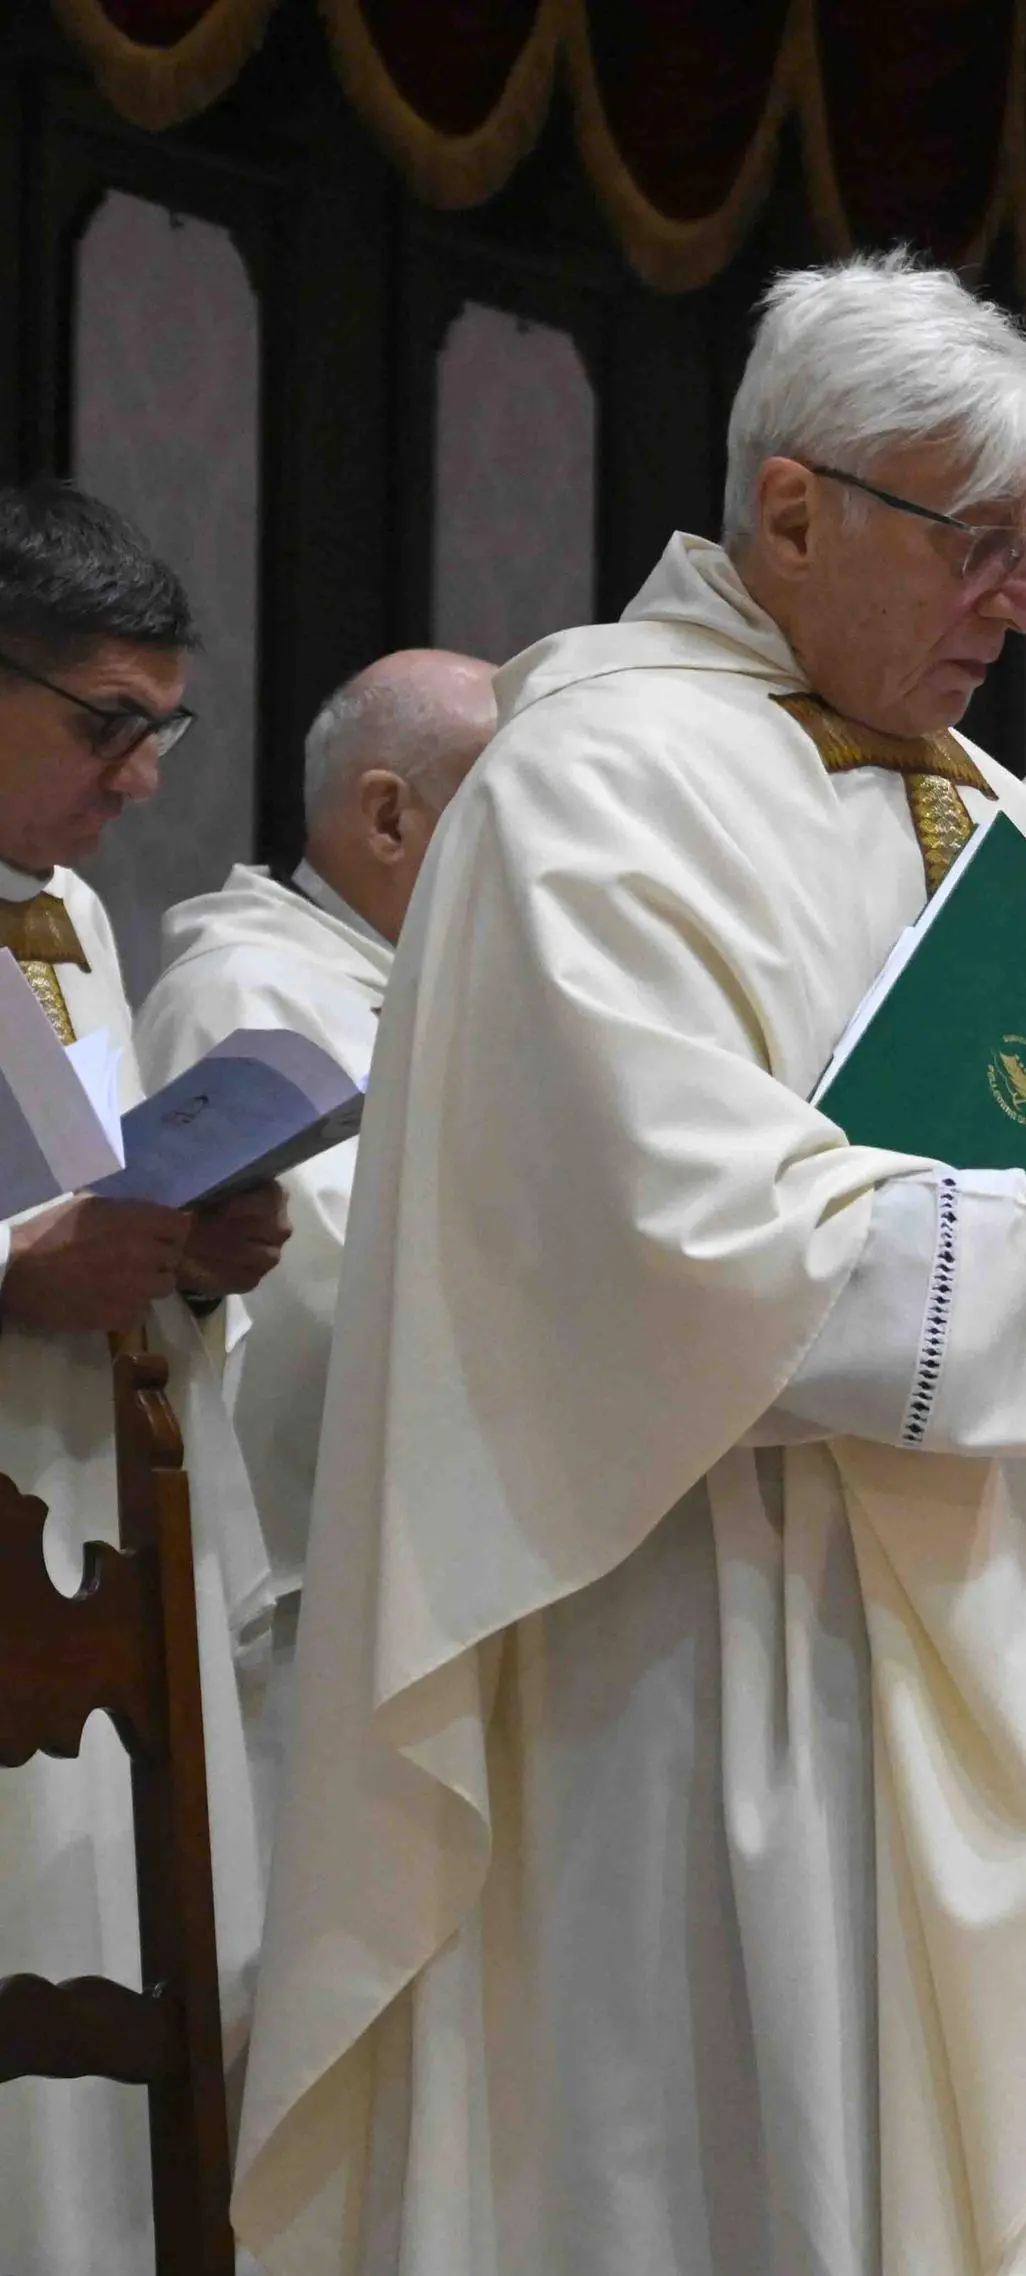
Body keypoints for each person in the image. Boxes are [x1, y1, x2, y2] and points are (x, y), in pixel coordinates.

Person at [234, 255, 1026, 2276]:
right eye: (978, 543)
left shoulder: (999, 809)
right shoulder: (591, 785)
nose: (1023, 601)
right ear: (789, 510)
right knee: (772, 2169)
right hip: (737, 1630)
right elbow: (666, 1236)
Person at [0, 479, 288, 2276]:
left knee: (133, 1976)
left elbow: (78, 1204)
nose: (139, 779)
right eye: (105, 724)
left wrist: (188, 1256)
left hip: (99, 1526)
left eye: (160, 732)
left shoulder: (79, 924)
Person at [134, 648, 494, 1816]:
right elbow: (322, 1306)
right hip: (320, 1624)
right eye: (515, 807)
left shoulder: (447, 982)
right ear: (389, 817)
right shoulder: (249, 998)